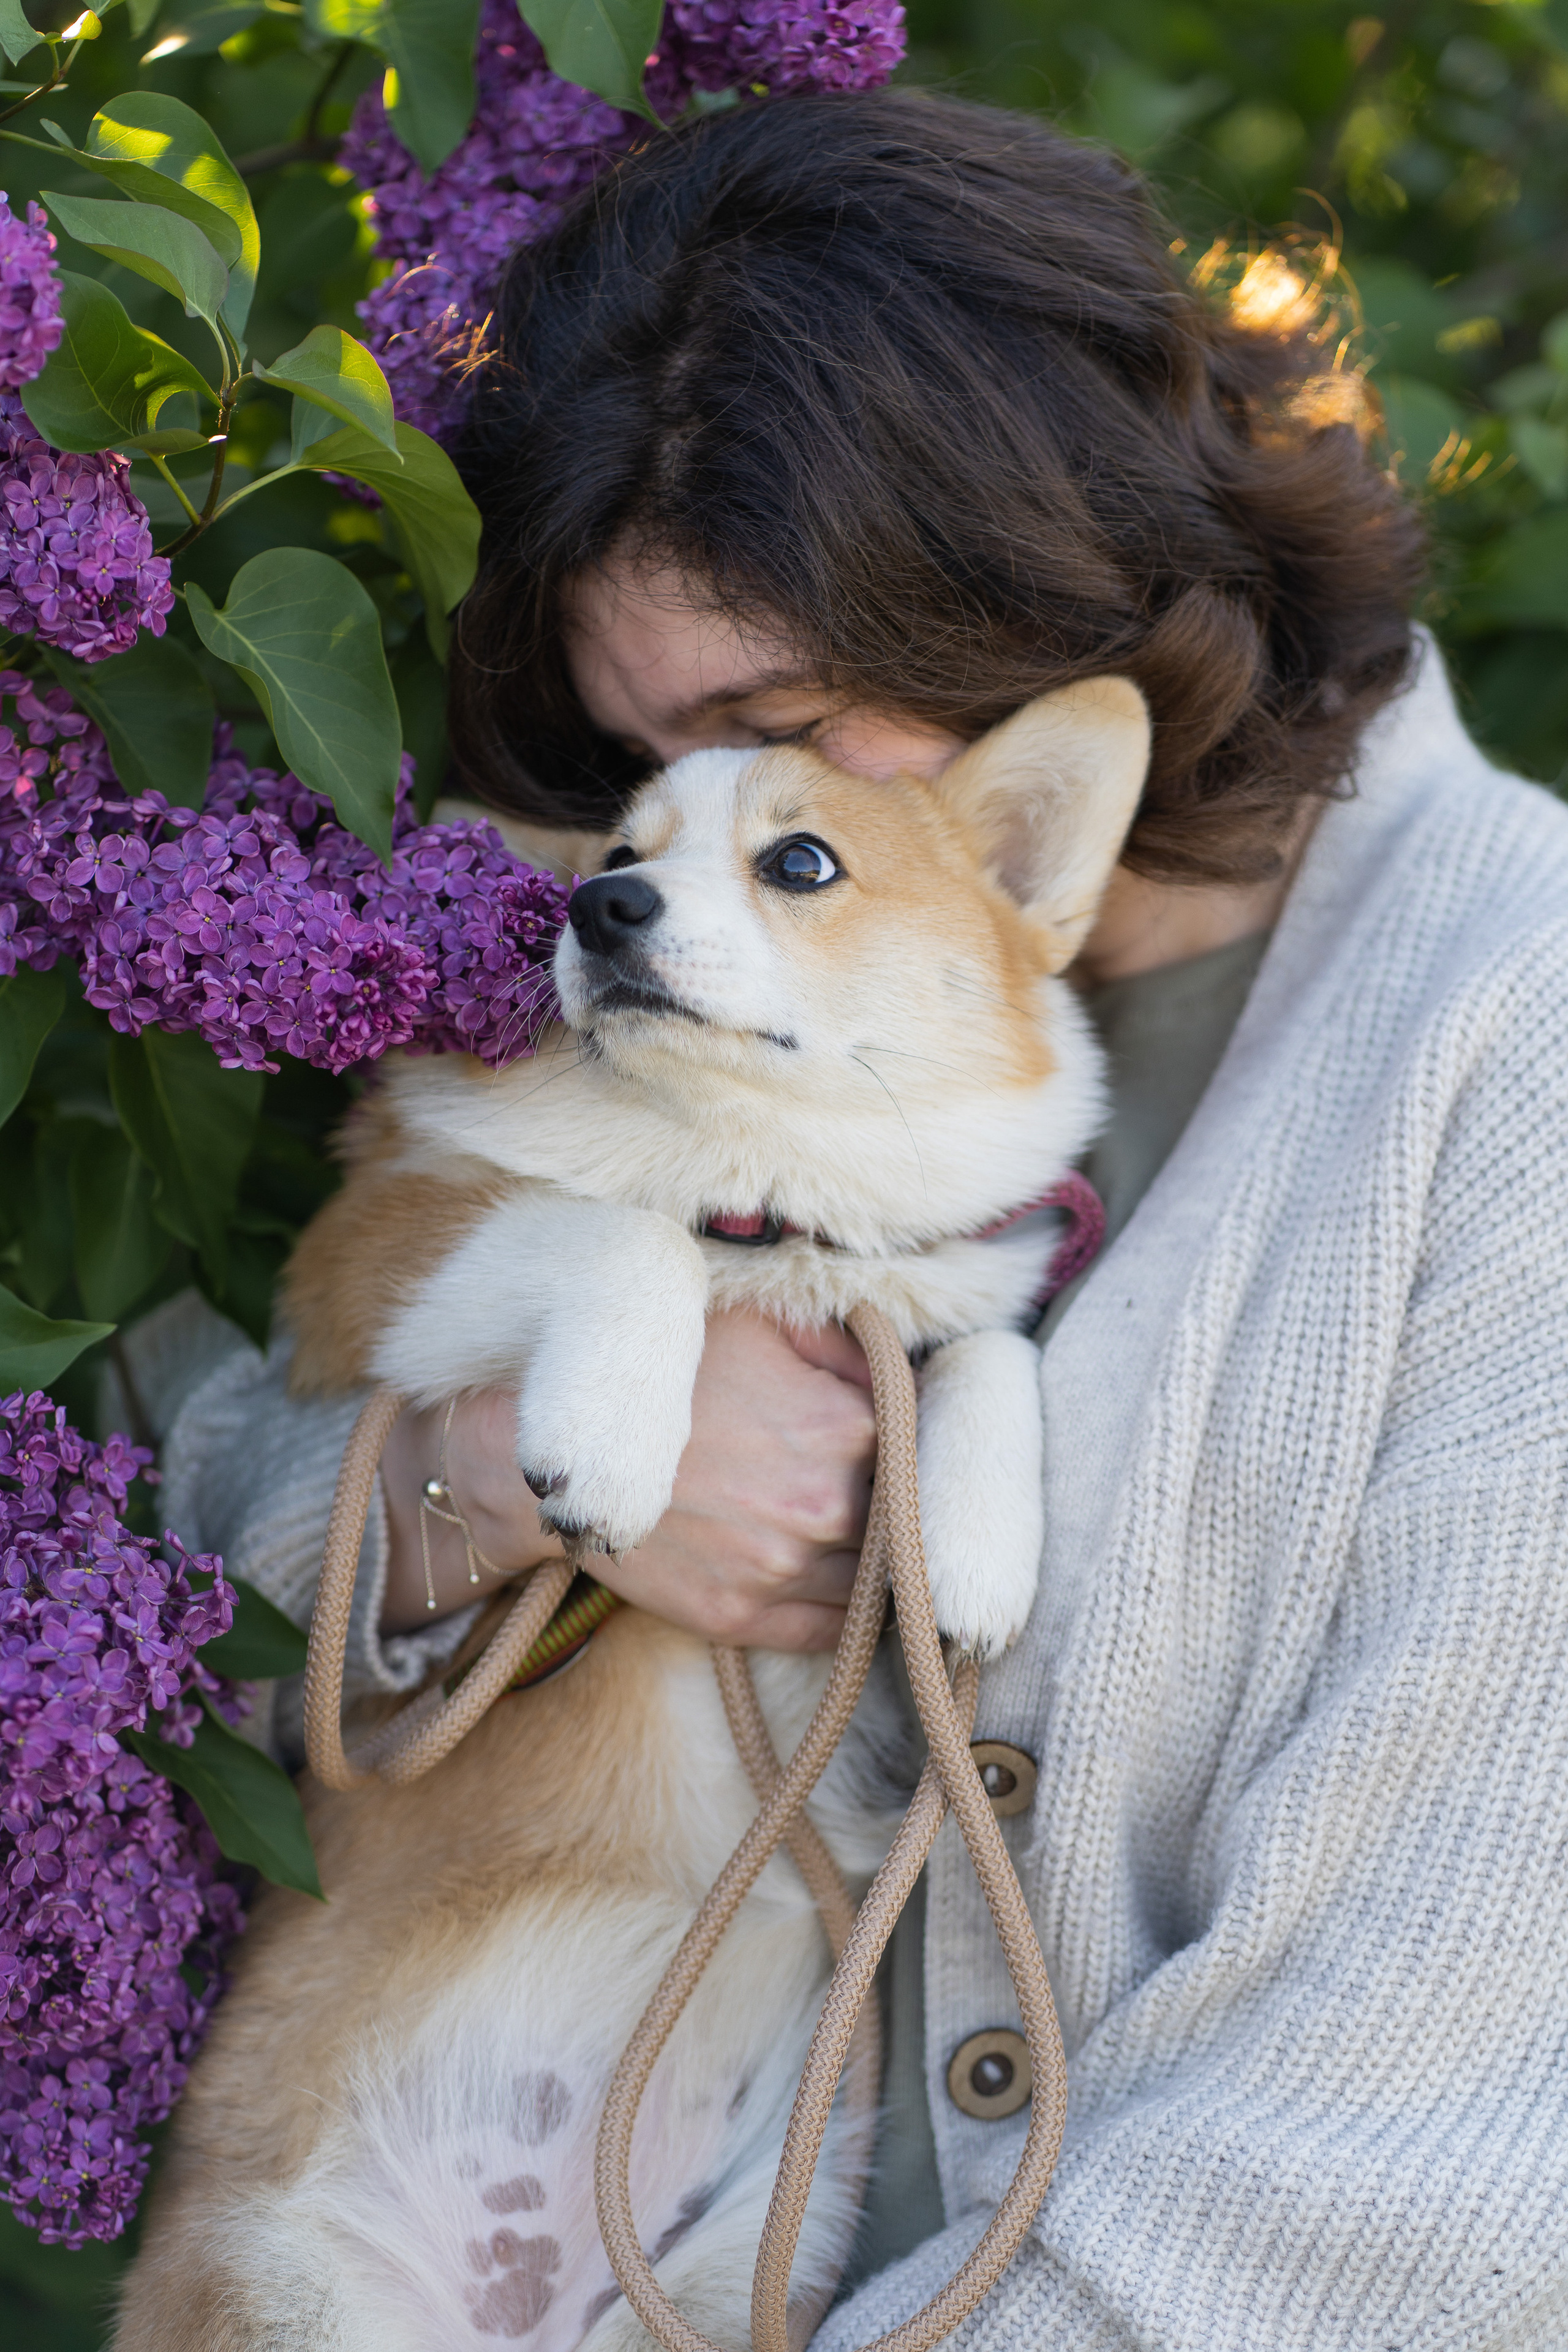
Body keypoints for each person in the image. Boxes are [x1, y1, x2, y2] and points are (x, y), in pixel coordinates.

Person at [146, 88, 1568, 2350]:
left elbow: (1419, 2103)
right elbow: (190, 1461)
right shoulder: (668, 1002)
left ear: (1027, 574)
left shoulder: (1512, 1044)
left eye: (786, 727)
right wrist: (482, 1488)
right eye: (637, 773)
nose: (670, 854)